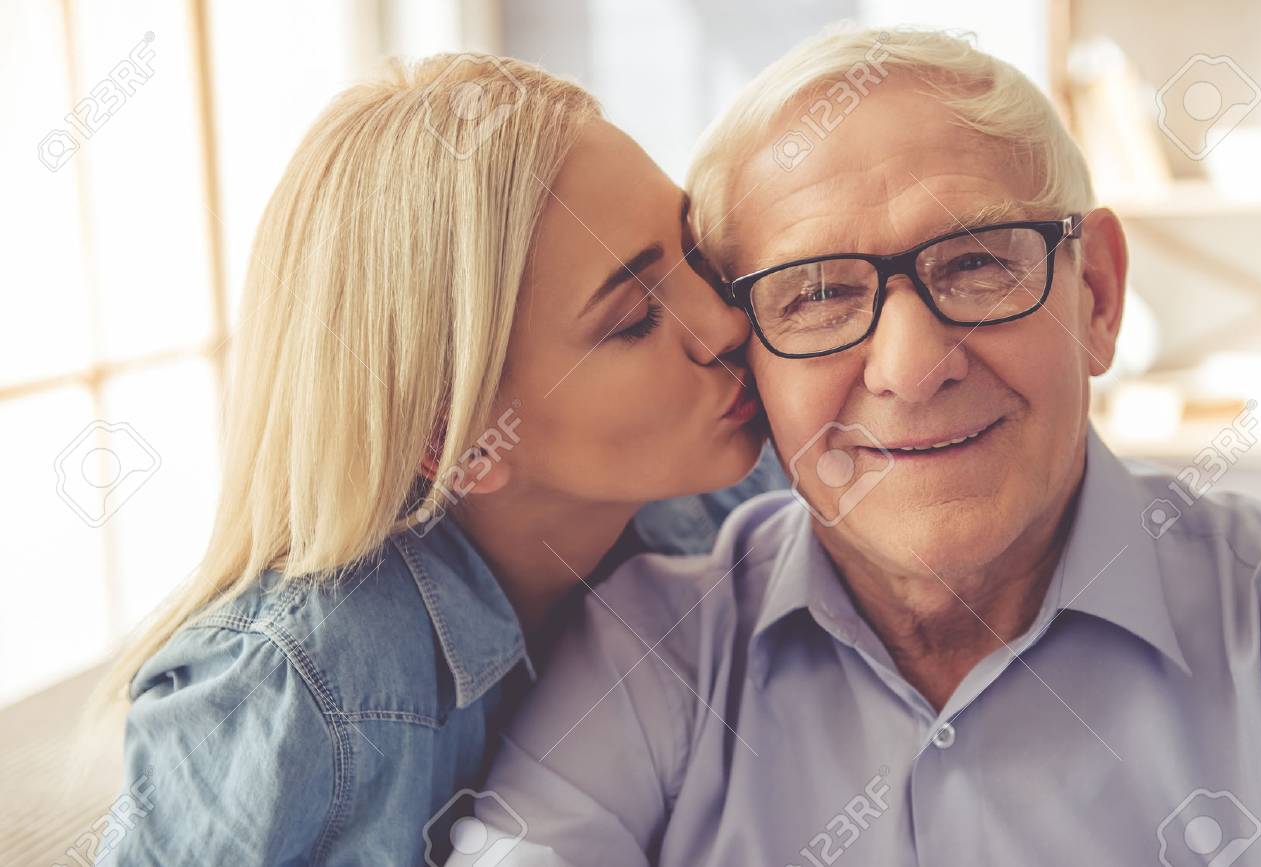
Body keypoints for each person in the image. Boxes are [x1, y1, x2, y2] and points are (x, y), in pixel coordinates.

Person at [455, 26, 1261, 866]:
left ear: (1100, 298)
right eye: (816, 293)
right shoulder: (646, 654)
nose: (912, 368)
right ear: (746, 358)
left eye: (975, 263)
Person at [102, 53, 782, 866]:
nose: (724, 322)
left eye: (697, 252)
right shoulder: (295, 688)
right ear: (452, 441)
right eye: (635, 316)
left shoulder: (722, 517)